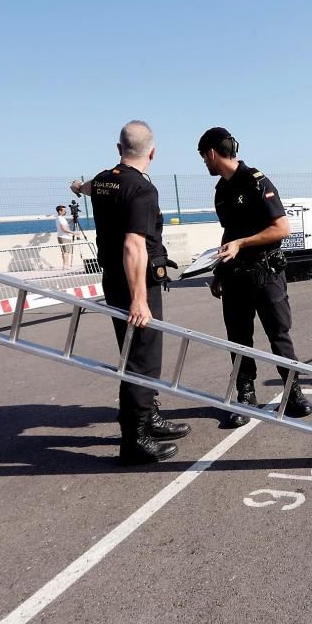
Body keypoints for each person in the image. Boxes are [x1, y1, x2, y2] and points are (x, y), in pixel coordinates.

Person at [69, 121, 190, 464]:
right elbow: (134, 245)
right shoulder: (142, 190)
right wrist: (139, 297)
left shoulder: (106, 178)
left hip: (114, 278)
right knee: (142, 358)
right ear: (153, 152)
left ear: (118, 149)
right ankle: (134, 439)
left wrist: (78, 187)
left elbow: (90, 187)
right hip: (135, 280)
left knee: (137, 352)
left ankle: (147, 418)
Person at [197, 127, 312, 424]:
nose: (205, 164)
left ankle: (293, 392)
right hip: (236, 275)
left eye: (203, 157)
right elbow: (230, 233)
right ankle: (245, 395)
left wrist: (242, 243)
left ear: (211, 153)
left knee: (279, 334)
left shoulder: (255, 181)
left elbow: (281, 229)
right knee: (238, 339)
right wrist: (219, 272)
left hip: (266, 272)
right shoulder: (222, 190)